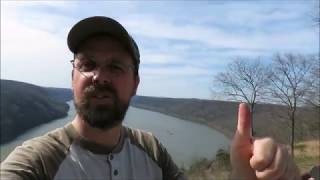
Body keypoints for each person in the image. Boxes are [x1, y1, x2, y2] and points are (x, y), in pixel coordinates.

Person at [0, 16, 301, 180]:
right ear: (72, 78)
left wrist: (242, 176)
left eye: (115, 66)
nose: (99, 76)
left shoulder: (150, 149)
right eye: (87, 64)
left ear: (135, 84)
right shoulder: (37, 162)